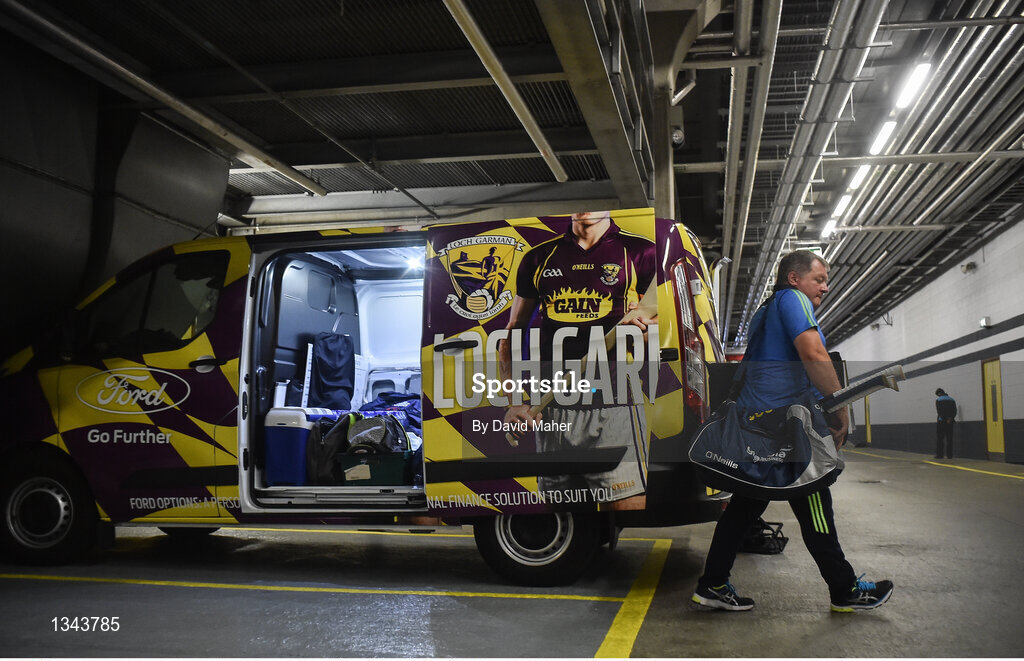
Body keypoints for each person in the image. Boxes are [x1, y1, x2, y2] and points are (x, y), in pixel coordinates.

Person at [692, 250, 893, 613]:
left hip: (762, 426)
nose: (825, 287)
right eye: (819, 279)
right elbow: (814, 353)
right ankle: (845, 589)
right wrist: (839, 406)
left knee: (743, 508)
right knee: (815, 496)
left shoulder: (765, 312)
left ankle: (713, 584)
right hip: (784, 430)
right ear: (794, 278)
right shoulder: (792, 299)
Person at [499, 210, 656, 508]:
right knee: (563, 520)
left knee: (625, 509)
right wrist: (515, 401)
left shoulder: (640, 251)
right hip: (552, 410)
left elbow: (661, 326)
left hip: (614, 404)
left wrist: (645, 328)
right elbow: (510, 335)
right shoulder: (540, 257)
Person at [935, 388, 957, 459]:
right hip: (950, 422)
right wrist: (950, 418)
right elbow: (955, 411)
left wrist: (944, 419)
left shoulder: (938, 400)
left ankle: (940, 455)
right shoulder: (952, 399)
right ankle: (949, 455)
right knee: (949, 439)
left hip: (941, 421)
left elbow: (939, 411)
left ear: (939, 393)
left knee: (940, 439)